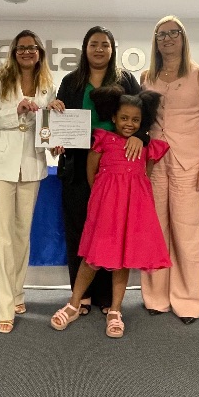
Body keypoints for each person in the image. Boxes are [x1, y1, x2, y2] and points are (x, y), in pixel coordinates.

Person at [49, 86, 170, 338]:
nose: (129, 123)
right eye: (124, 118)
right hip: (105, 207)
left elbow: (144, 176)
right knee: (92, 257)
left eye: (135, 120)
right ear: (114, 117)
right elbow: (91, 173)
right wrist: (102, 198)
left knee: (123, 259)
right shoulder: (103, 139)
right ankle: (74, 303)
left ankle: (115, 310)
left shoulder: (146, 146)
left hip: (132, 208)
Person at [0, 29, 64, 333]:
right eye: (21, 48)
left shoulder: (48, 84)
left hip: (32, 163)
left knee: (21, 234)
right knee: (1, 235)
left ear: (40, 52)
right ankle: (2, 307)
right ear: (14, 52)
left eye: (32, 48)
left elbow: (46, 128)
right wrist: (16, 111)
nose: (27, 52)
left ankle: (16, 294)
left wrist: (56, 139)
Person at [53, 26, 146, 317]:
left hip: (115, 165)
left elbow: (142, 114)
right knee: (79, 228)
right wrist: (55, 129)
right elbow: (58, 119)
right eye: (93, 44)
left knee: (110, 230)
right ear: (85, 48)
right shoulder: (70, 81)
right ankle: (81, 295)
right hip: (76, 162)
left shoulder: (126, 79)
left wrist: (139, 137)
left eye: (104, 44)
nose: (99, 49)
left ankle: (107, 296)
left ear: (112, 49)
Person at [139, 16, 199, 324]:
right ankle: (156, 296)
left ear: (183, 38)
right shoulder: (147, 76)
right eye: (162, 34)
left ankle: (188, 301)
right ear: (155, 41)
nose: (168, 38)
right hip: (154, 163)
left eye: (174, 33)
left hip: (190, 163)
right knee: (155, 231)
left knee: (188, 233)